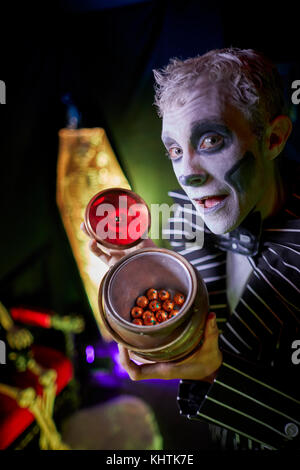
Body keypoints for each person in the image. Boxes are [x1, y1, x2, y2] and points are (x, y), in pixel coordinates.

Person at [81, 48, 300, 450]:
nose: (186, 174)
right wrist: (151, 266)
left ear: (273, 138)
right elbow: (197, 314)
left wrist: (216, 374)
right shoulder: (185, 217)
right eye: (175, 151)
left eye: (211, 139)